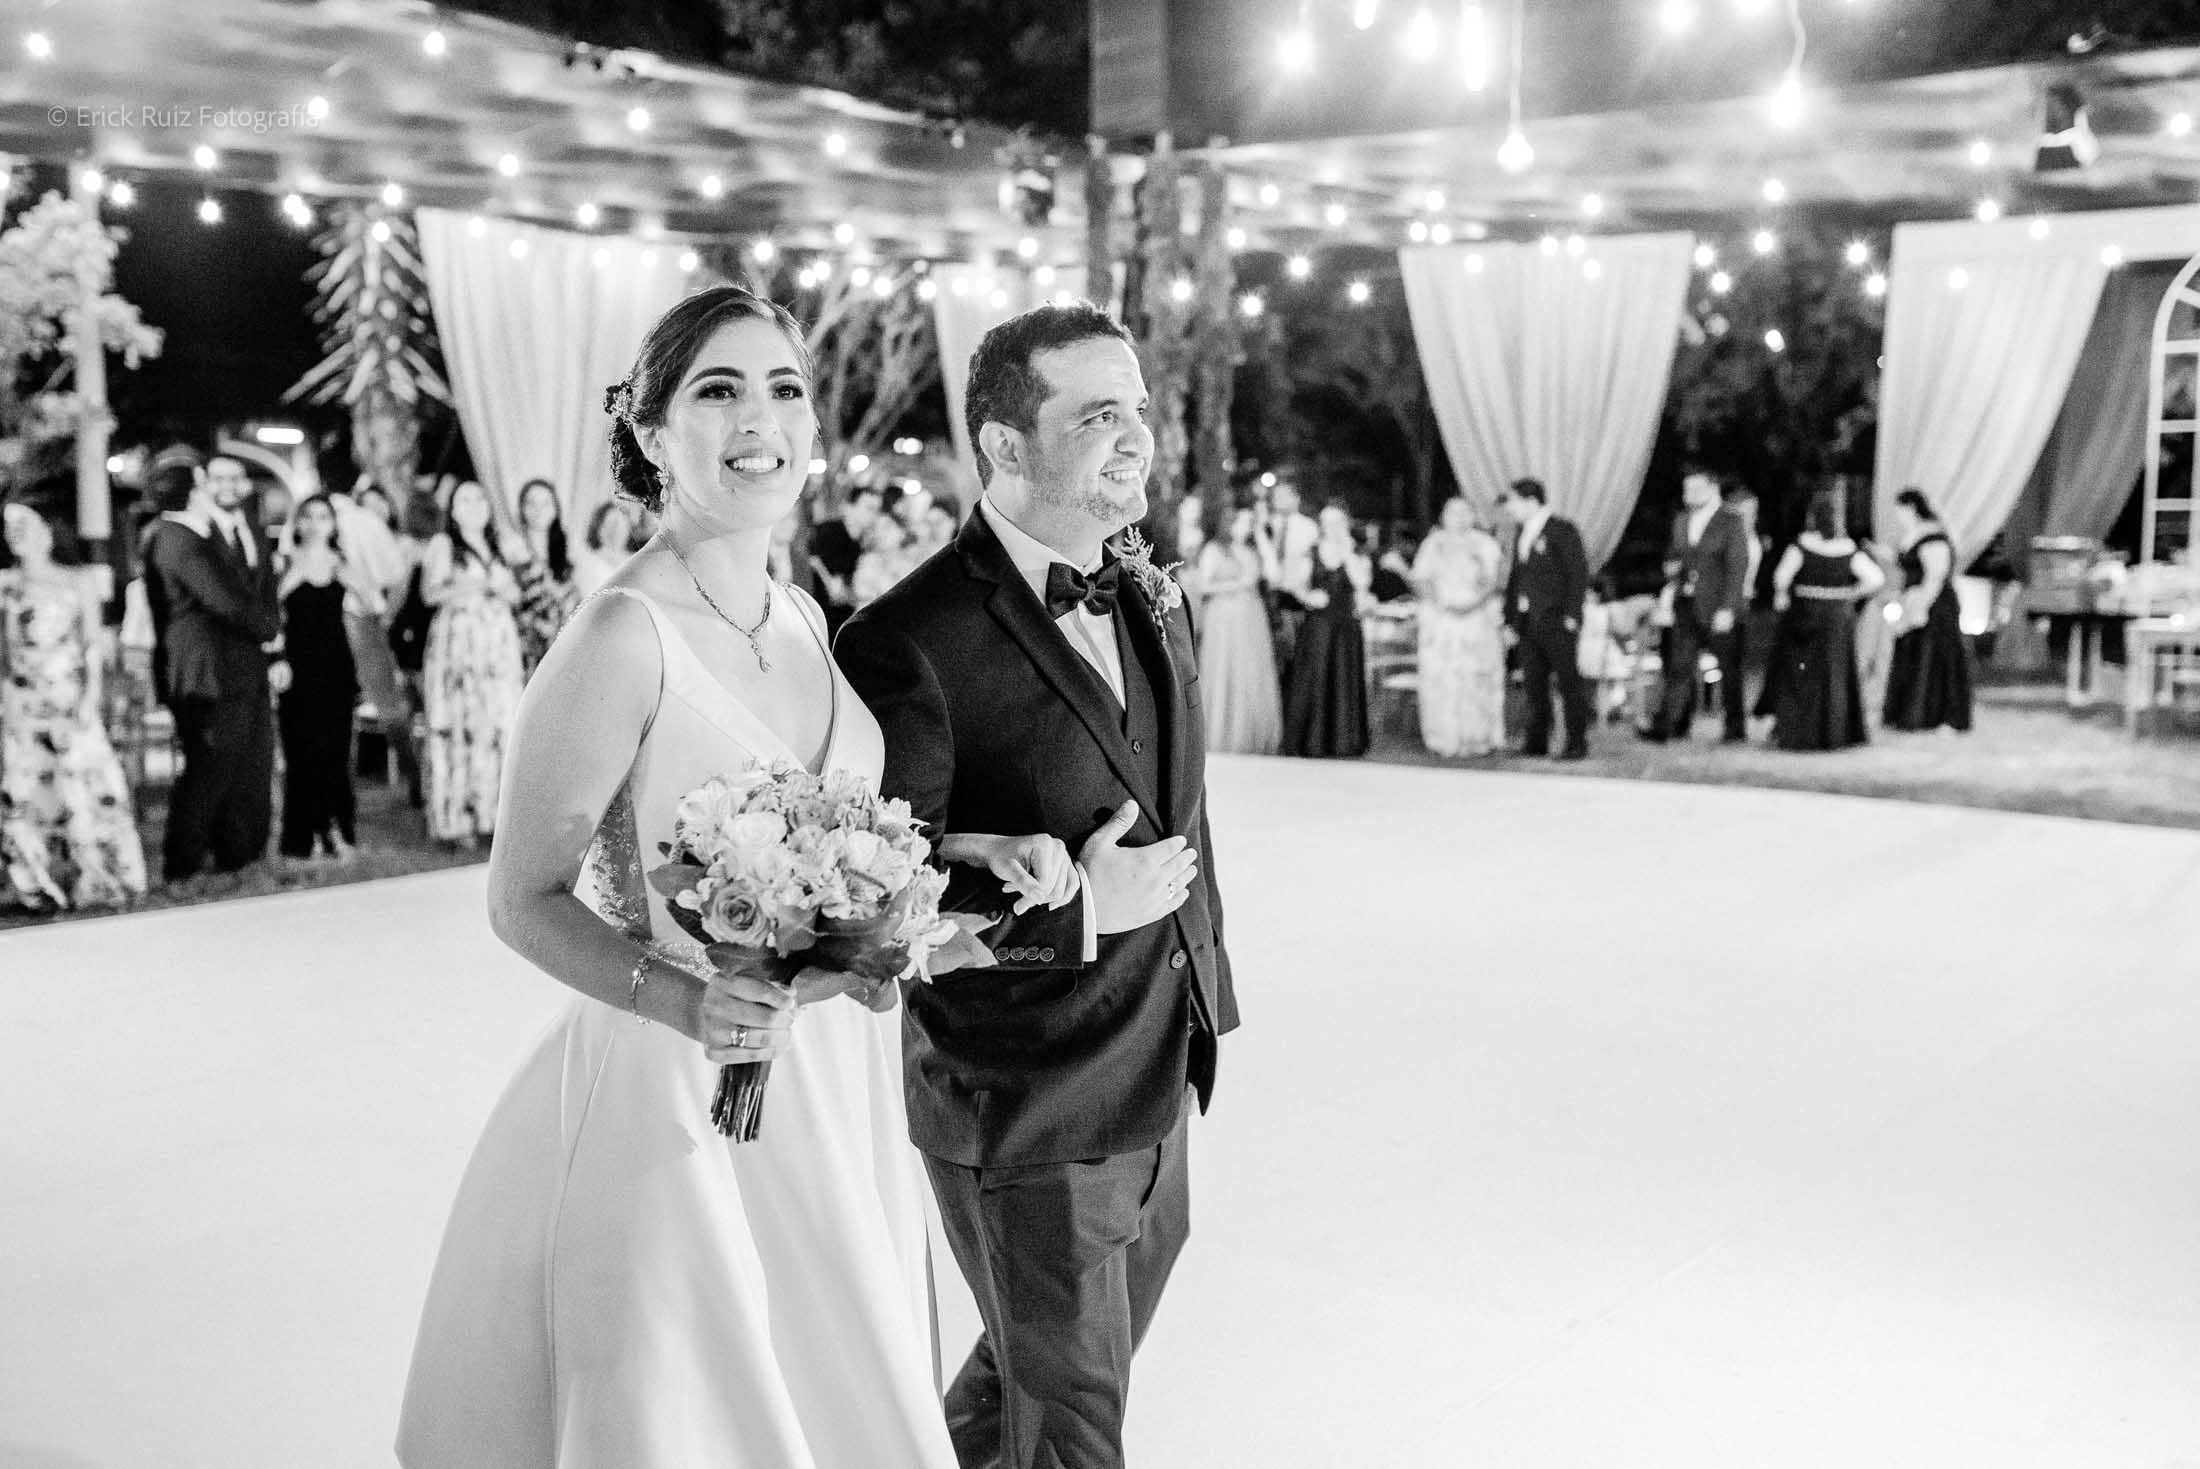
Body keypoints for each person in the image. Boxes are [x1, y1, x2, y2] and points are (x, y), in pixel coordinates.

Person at [401, 285, 1045, 1468]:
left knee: (838, 1384)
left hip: (831, 1079)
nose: (761, 418)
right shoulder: (618, 634)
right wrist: (690, 998)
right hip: (676, 1089)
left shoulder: (799, 611)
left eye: (785, 389)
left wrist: (926, 889)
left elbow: (832, 823)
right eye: (718, 390)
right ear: (652, 435)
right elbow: (520, 896)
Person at [837, 300, 1237, 1469]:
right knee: (1072, 1431)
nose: (1138, 435)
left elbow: (1178, 803)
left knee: (1028, 1386)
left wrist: (1201, 991)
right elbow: (881, 914)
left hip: (1160, 1061)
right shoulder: (905, 640)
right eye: (1099, 413)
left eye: (1139, 409)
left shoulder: (1143, 587)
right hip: (1026, 1101)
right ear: (1005, 445)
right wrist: (1079, 911)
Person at [0, 497, 149, 910]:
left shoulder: (77, 581)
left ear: (48, 532)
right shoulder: (5, 585)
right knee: (28, 790)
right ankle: (36, 886)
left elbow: (92, 646)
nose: (16, 535)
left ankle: (100, 878)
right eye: (10, 528)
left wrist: (91, 696)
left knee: (88, 786)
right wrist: (8, 702)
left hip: (69, 697)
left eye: (25, 525)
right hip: (24, 700)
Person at [142, 448, 284, 880]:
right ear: (192, 491)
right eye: (204, 483)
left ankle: (235, 854)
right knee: (210, 769)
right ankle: (183, 863)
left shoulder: (189, 536)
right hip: (207, 672)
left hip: (233, 667)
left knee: (243, 764)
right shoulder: (178, 539)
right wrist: (269, 627)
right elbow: (223, 600)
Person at [418, 479, 524, 847]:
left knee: (498, 724)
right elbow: (429, 593)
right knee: (460, 724)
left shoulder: (500, 545)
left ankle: (493, 816)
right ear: (452, 509)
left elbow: (516, 594)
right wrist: (477, 586)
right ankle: (456, 817)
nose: (474, 505)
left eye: (479, 498)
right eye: (464, 499)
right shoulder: (444, 544)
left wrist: (503, 587)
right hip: (459, 642)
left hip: (498, 644)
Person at [275, 494, 369, 861]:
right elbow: (268, 611)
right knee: (301, 751)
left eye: (323, 516)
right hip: (297, 667)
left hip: (335, 665)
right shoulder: (284, 563)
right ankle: (303, 837)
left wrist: (353, 580)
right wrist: (293, 577)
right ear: (298, 523)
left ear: (333, 524)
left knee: (335, 752)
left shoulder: (342, 563)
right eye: (309, 516)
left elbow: (375, 603)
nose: (316, 523)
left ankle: (338, 831)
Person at [1766, 491, 1886, 751]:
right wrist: (1852, 593)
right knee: (1835, 675)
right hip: (1837, 617)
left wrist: (1782, 595)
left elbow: (1781, 578)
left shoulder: (1801, 546)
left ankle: (1798, 729)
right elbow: (1876, 579)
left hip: (1805, 613)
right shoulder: (1848, 550)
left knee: (1800, 673)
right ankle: (1834, 731)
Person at [1643, 471, 1751, 743]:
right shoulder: (1682, 520)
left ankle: (1735, 726)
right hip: (1687, 602)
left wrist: (1728, 608)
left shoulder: (1729, 521)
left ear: (1712, 489)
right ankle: (1668, 724)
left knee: (1728, 667)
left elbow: (1737, 566)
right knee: (1679, 665)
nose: (1687, 495)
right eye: (1685, 489)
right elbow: (1676, 553)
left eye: (1694, 489)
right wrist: (1672, 568)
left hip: (1717, 604)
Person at [1498, 477, 1591, 759]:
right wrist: (1510, 620)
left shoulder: (1561, 529)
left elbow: (1577, 573)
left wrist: (1572, 614)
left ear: (1531, 501)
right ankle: (1536, 740)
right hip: (1528, 620)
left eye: (1513, 502)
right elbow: (1517, 578)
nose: (1510, 509)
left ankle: (1576, 741)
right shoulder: (1522, 531)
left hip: (1556, 618)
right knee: (1533, 681)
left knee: (1567, 681)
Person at [1412, 495, 1506, 758]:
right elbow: (1421, 580)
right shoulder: (1433, 544)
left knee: (1475, 677)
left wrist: (1472, 603)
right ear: (1444, 516)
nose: (1460, 518)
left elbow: (1494, 581)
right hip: (1442, 619)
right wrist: (1442, 603)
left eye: (1465, 512)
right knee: (1442, 678)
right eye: (1453, 512)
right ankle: (1442, 736)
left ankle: (1477, 736)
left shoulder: (1485, 544)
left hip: (1476, 619)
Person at [1281, 501, 1372, 758]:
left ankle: (1344, 741)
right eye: (1327, 522)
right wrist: (1308, 597)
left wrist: (1348, 552)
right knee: (1316, 677)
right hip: (1319, 624)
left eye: (1337, 522)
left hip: (1346, 626)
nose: (1332, 527)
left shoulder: (1356, 553)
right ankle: (1312, 741)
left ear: (1346, 523)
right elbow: (1293, 584)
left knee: (1344, 678)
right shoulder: (1311, 552)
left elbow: (1362, 584)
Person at [1883, 486, 1975, 733]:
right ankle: (1916, 715)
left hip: (1936, 604)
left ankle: (1947, 717)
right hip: (1915, 599)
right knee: (1915, 655)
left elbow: (1935, 575)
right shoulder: (1915, 535)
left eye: (1900, 510)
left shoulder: (1933, 536)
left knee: (1938, 657)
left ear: (1911, 508)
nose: (1897, 516)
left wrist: (1922, 606)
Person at [1195, 502, 1283, 754]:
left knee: (1249, 673)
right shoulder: (1214, 550)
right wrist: (1237, 585)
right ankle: (1222, 734)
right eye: (1242, 522)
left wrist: (1262, 537)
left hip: (1250, 619)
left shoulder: (1252, 552)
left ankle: (1250, 736)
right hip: (1224, 619)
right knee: (1225, 670)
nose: (1246, 527)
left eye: (1249, 523)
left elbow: (1274, 576)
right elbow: (1203, 586)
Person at [509, 478, 579, 679]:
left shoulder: (569, 548)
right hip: (525, 648)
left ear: (556, 508)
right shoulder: (513, 550)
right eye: (531, 503)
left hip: (564, 645)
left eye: (546, 503)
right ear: (522, 509)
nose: (538, 510)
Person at [806, 481, 885, 636]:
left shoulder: (864, 545)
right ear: (849, 507)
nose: (873, 515)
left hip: (842, 620)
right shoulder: (827, 532)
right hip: (816, 616)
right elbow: (812, 562)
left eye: (877, 510)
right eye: (869, 508)